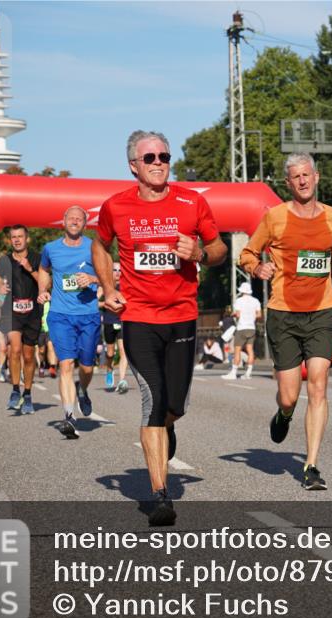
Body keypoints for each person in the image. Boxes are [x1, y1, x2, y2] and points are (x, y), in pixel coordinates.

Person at [94, 130, 226, 527]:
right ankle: (160, 494)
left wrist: (199, 252)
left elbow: (219, 250)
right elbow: (100, 245)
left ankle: (168, 427)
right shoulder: (115, 207)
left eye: (164, 156)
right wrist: (108, 287)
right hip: (138, 318)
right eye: (149, 157)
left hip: (182, 316)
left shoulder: (192, 202)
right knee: (152, 401)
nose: (157, 163)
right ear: (133, 165)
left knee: (174, 406)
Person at [239, 153, 332, 491]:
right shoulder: (274, 217)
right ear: (288, 183)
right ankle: (284, 414)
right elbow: (247, 254)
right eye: (295, 177)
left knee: (318, 382)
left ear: (316, 177)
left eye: (307, 174)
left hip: (321, 311)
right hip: (284, 314)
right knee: (289, 396)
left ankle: (311, 465)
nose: (302, 181)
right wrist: (257, 267)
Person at [38, 205, 102, 439]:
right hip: (60, 314)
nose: (74, 222)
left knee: (86, 366)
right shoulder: (50, 248)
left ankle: (83, 390)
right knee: (65, 364)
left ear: (85, 224)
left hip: (88, 315)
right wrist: (42, 289)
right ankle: (68, 416)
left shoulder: (94, 247)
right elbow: (43, 269)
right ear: (63, 221)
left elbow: (110, 274)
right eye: (71, 218)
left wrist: (93, 278)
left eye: (79, 219)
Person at [0, 225, 43, 414]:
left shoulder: (37, 258)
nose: (16, 240)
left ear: (26, 239)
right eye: (13, 237)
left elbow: (44, 282)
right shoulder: (5, 259)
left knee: (29, 355)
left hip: (32, 312)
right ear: (10, 240)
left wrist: (30, 269)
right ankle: (15, 390)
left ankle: (28, 394)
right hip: (12, 310)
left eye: (20, 236)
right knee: (14, 349)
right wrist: (0, 286)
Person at [99, 262, 130, 393]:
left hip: (123, 321)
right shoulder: (105, 286)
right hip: (109, 321)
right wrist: (105, 304)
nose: (117, 272)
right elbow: (94, 303)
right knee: (110, 353)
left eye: (120, 270)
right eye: (114, 270)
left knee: (124, 352)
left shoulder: (128, 286)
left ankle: (122, 380)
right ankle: (109, 369)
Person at [222, 282, 262, 380]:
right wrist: (251, 317)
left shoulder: (239, 301)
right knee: (250, 350)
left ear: (241, 291)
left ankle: (233, 373)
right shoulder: (256, 301)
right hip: (251, 328)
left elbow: (238, 315)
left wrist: (233, 315)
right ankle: (248, 373)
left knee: (237, 350)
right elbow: (259, 315)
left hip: (241, 328)